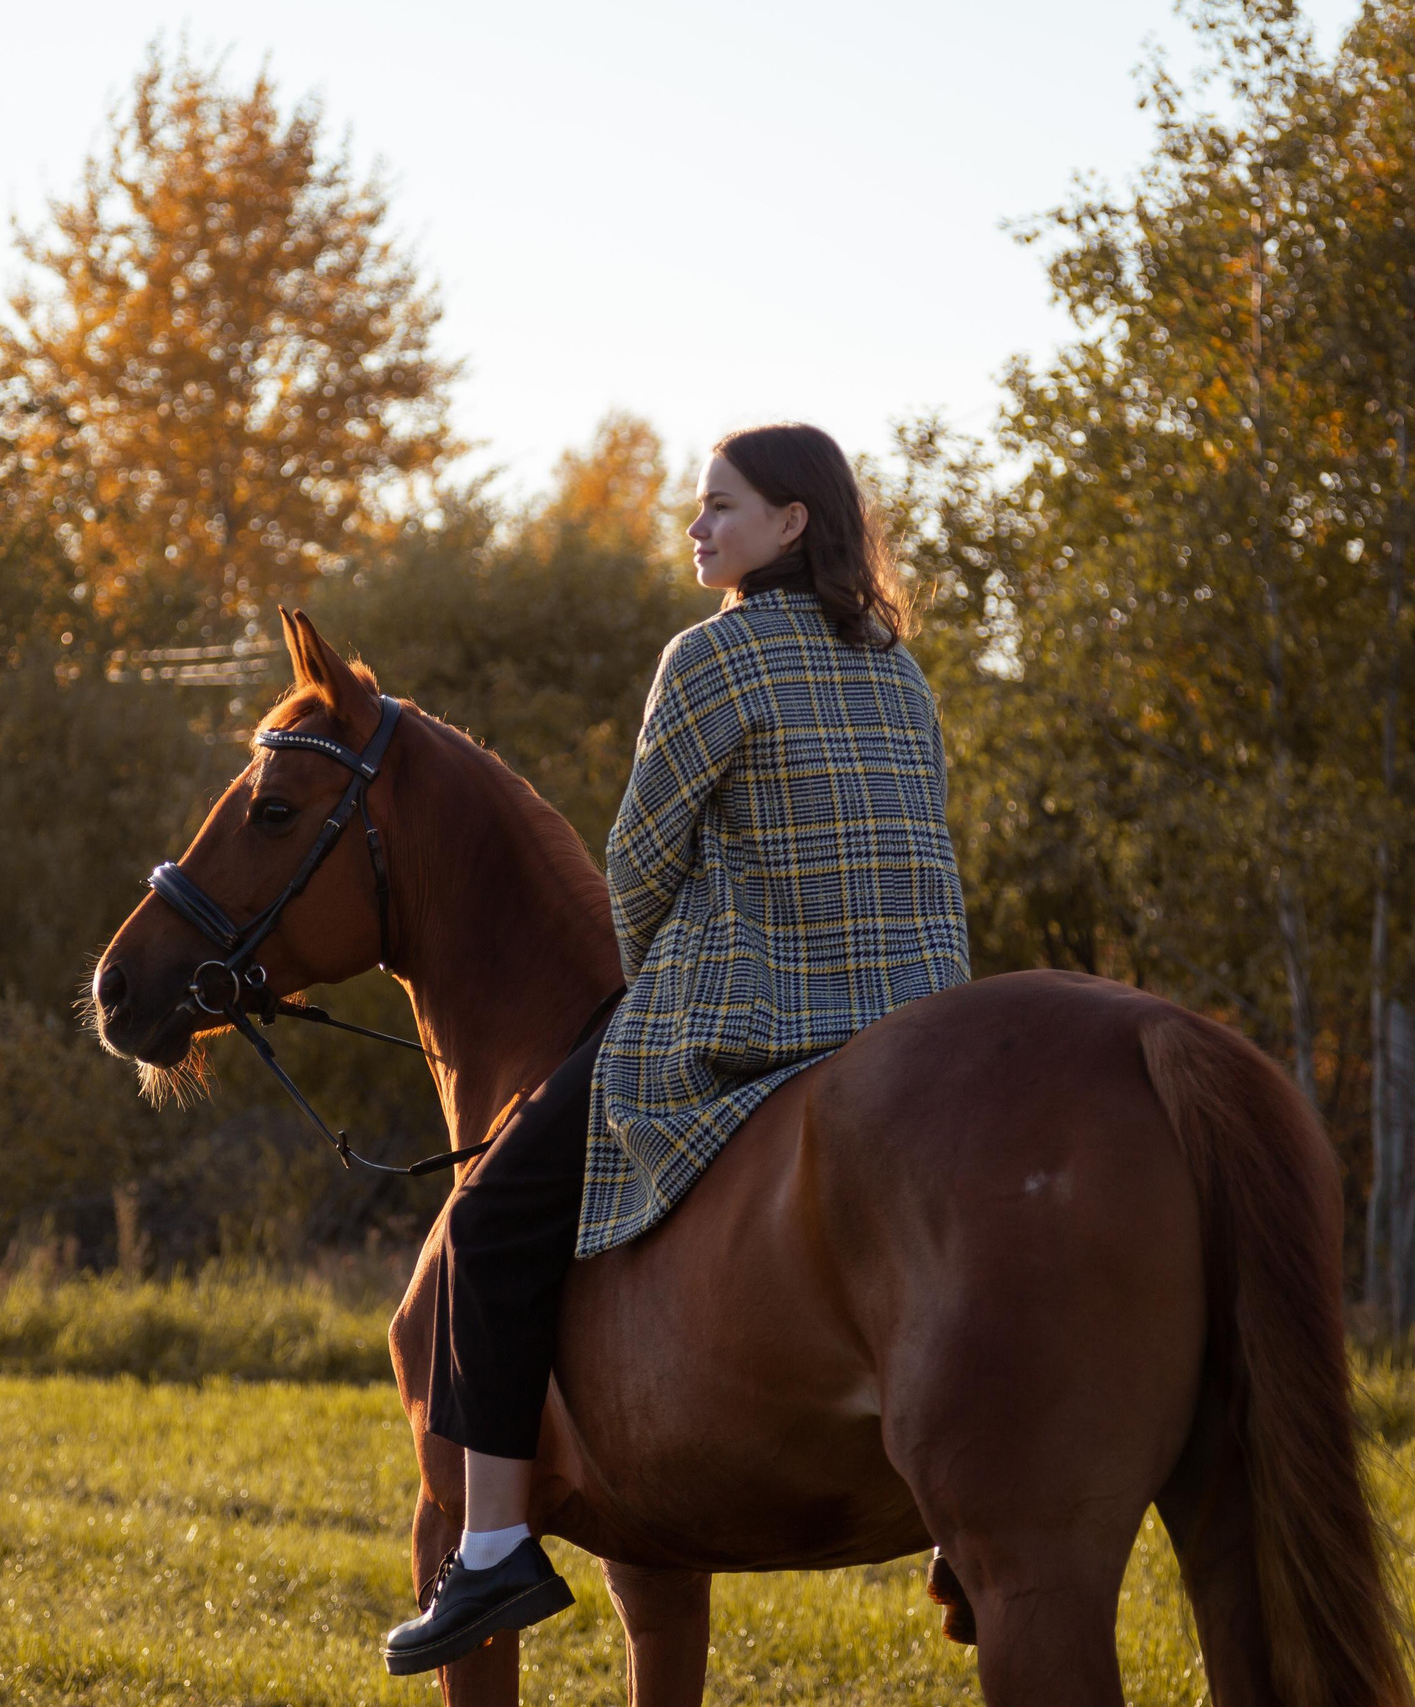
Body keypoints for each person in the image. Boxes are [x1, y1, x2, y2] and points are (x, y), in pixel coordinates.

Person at [381, 422, 971, 1676]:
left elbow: (638, 864)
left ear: (792, 522)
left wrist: (646, 970)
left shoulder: (712, 657)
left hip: (747, 1016)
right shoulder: (896, 667)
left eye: (719, 507)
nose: (694, 530)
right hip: (919, 1025)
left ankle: (488, 1550)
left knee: (489, 1222)